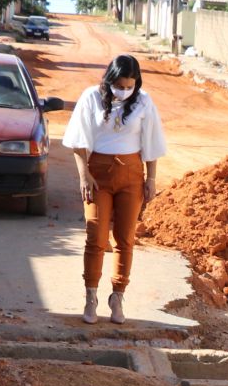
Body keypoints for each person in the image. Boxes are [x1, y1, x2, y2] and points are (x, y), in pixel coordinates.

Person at [62, 54, 168, 324]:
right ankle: (91, 296)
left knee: (125, 238)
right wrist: (84, 175)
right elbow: (77, 140)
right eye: (119, 84)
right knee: (96, 235)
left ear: (136, 83)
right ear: (110, 79)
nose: (124, 90)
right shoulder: (91, 98)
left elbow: (151, 143)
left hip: (132, 174)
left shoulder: (144, 101)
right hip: (98, 173)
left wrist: (151, 179)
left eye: (129, 85)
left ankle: (117, 296)